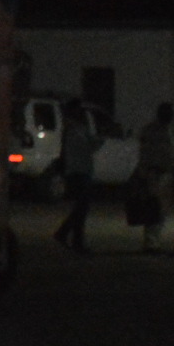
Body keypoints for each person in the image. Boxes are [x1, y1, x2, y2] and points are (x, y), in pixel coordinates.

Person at [55, 106, 106, 251]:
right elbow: (87, 147)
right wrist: (100, 139)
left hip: (78, 171)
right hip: (79, 172)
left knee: (81, 208)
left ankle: (71, 237)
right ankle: (68, 235)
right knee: (81, 208)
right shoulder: (75, 132)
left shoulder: (73, 131)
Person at [131, 103, 174, 253]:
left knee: (160, 208)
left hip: (162, 172)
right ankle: (151, 242)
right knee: (154, 207)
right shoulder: (161, 131)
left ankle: (153, 241)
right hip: (155, 172)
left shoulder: (153, 130)